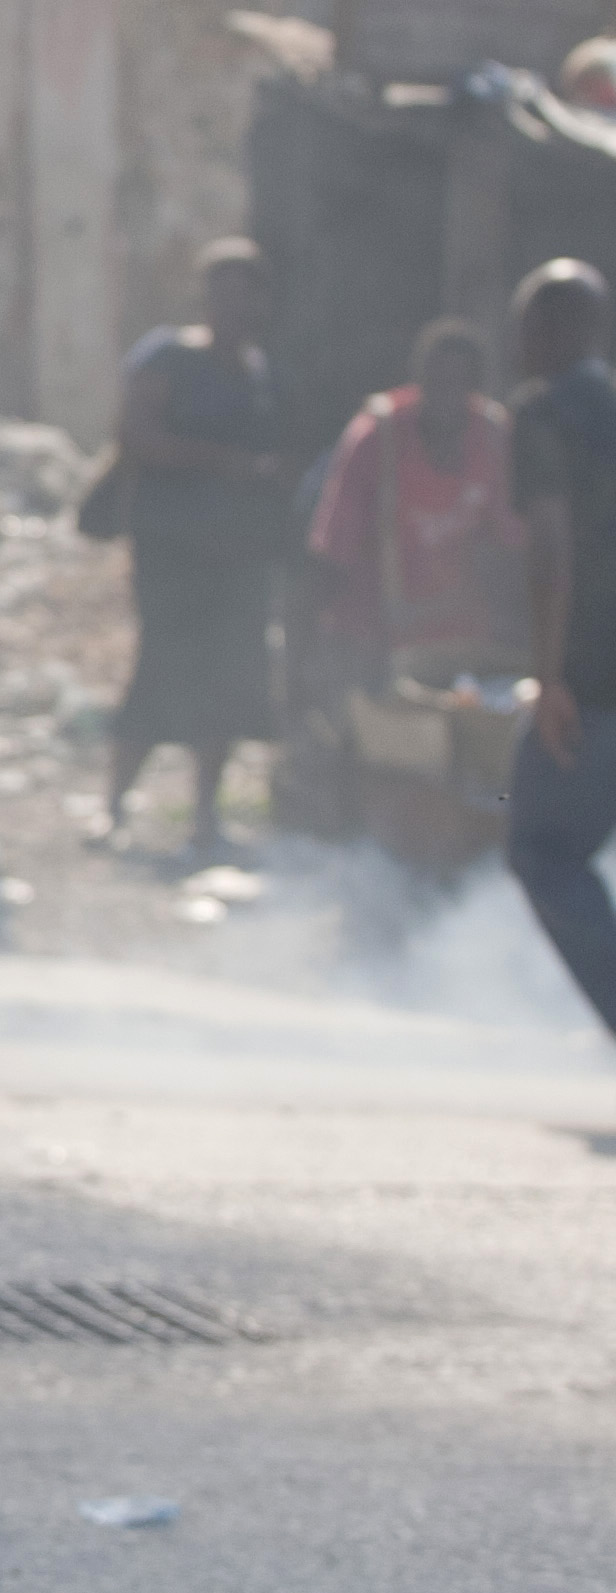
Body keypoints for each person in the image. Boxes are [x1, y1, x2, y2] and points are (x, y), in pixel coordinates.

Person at [106, 239, 286, 859]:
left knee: (228, 683)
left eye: (250, 295)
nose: (239, 308)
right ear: (207, 299)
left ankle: (206, 819)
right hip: (171, 549)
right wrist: (225, 465)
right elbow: (136, 437)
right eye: (226, 294)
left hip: (235, 557)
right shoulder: (170, 357)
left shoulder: (260, 371)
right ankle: (114, 808)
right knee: (159, 671)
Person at [508, 259, 616, 1039]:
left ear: (551, 328)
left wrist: (549, 678)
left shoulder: (544, 413)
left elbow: (551, 547)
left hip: (590, 677)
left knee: (543, 850)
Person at [306, 319, 523, 680]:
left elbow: (511, 542)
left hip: (464, 646)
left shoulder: (494, 435)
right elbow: (333, 550)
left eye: (460, 384)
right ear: (418, 379)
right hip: (376, 640)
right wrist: (318, 652)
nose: (448, 397)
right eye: (438, 382)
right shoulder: (377, 436)